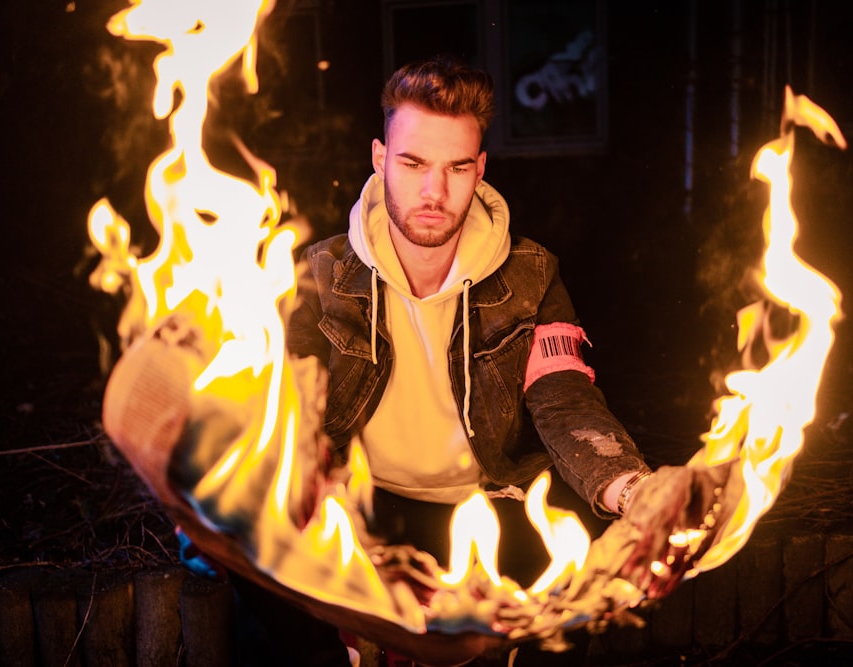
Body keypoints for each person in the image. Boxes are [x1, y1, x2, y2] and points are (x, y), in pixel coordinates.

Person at [262, 55, 655, 665]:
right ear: (379, 159)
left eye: (456, 167)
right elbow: (285, 407)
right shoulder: (320, 275)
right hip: (365, 506)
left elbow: (566, 400)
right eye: (413, 163)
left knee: (581, 578)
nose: (433, 192)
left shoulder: (531, 276)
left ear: (481, 170)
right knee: (257, 567)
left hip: (487, 504)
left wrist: (632, 487)